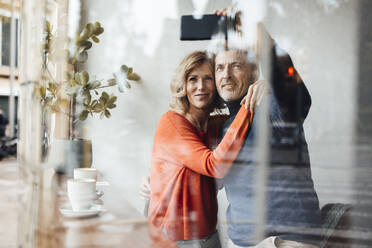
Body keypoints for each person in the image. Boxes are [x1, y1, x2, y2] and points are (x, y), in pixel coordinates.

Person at [213, 9, 322, 248]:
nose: (226, 75)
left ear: (253, 72)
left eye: (235, 66)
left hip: (291, 240)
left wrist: (258, 32)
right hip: (241, 242)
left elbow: (297, 95)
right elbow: (205, 185)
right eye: (220, 68)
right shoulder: (217, 128)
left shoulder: (272, 104)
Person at [148, 51, 256, 248]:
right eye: (193, 79)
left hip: (209, 235)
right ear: (184, 85)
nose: (200, 87)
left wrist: (261, 88)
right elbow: (214, 166)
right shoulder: (172, 122)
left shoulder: (215, 125)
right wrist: (250, 104)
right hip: (174, 238)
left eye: (208, 79)